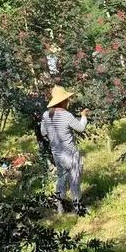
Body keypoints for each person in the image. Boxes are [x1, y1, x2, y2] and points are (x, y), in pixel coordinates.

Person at [40, 85, 89, 216]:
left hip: (57, 154)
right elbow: (81, 128)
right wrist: (83, 116)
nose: (68, 101)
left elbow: (43, 132)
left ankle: (59, 206)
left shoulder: (46, 115)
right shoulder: (67, 115)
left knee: (61, 178)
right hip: (71, 154)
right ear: (63, 101)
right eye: (67, 99)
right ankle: (78, 209)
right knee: (74, 181)